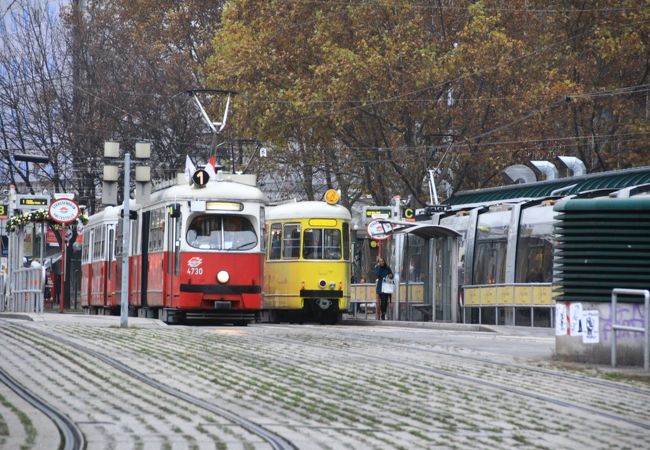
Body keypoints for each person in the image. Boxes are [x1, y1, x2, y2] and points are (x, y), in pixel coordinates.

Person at [374, 256, 393, 320]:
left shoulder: (387, 268)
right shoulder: (377, 267)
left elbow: (391, 275)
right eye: (380, 261)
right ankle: (383, 313)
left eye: (382, 261)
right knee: (382, 300)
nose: (382, 262)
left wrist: (390, 275)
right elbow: (377, 274)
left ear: (384, 261)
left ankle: (383, 313)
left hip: (387, 286)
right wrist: (378, 266)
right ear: (379, 262)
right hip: (380, 286)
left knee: (385, 300)